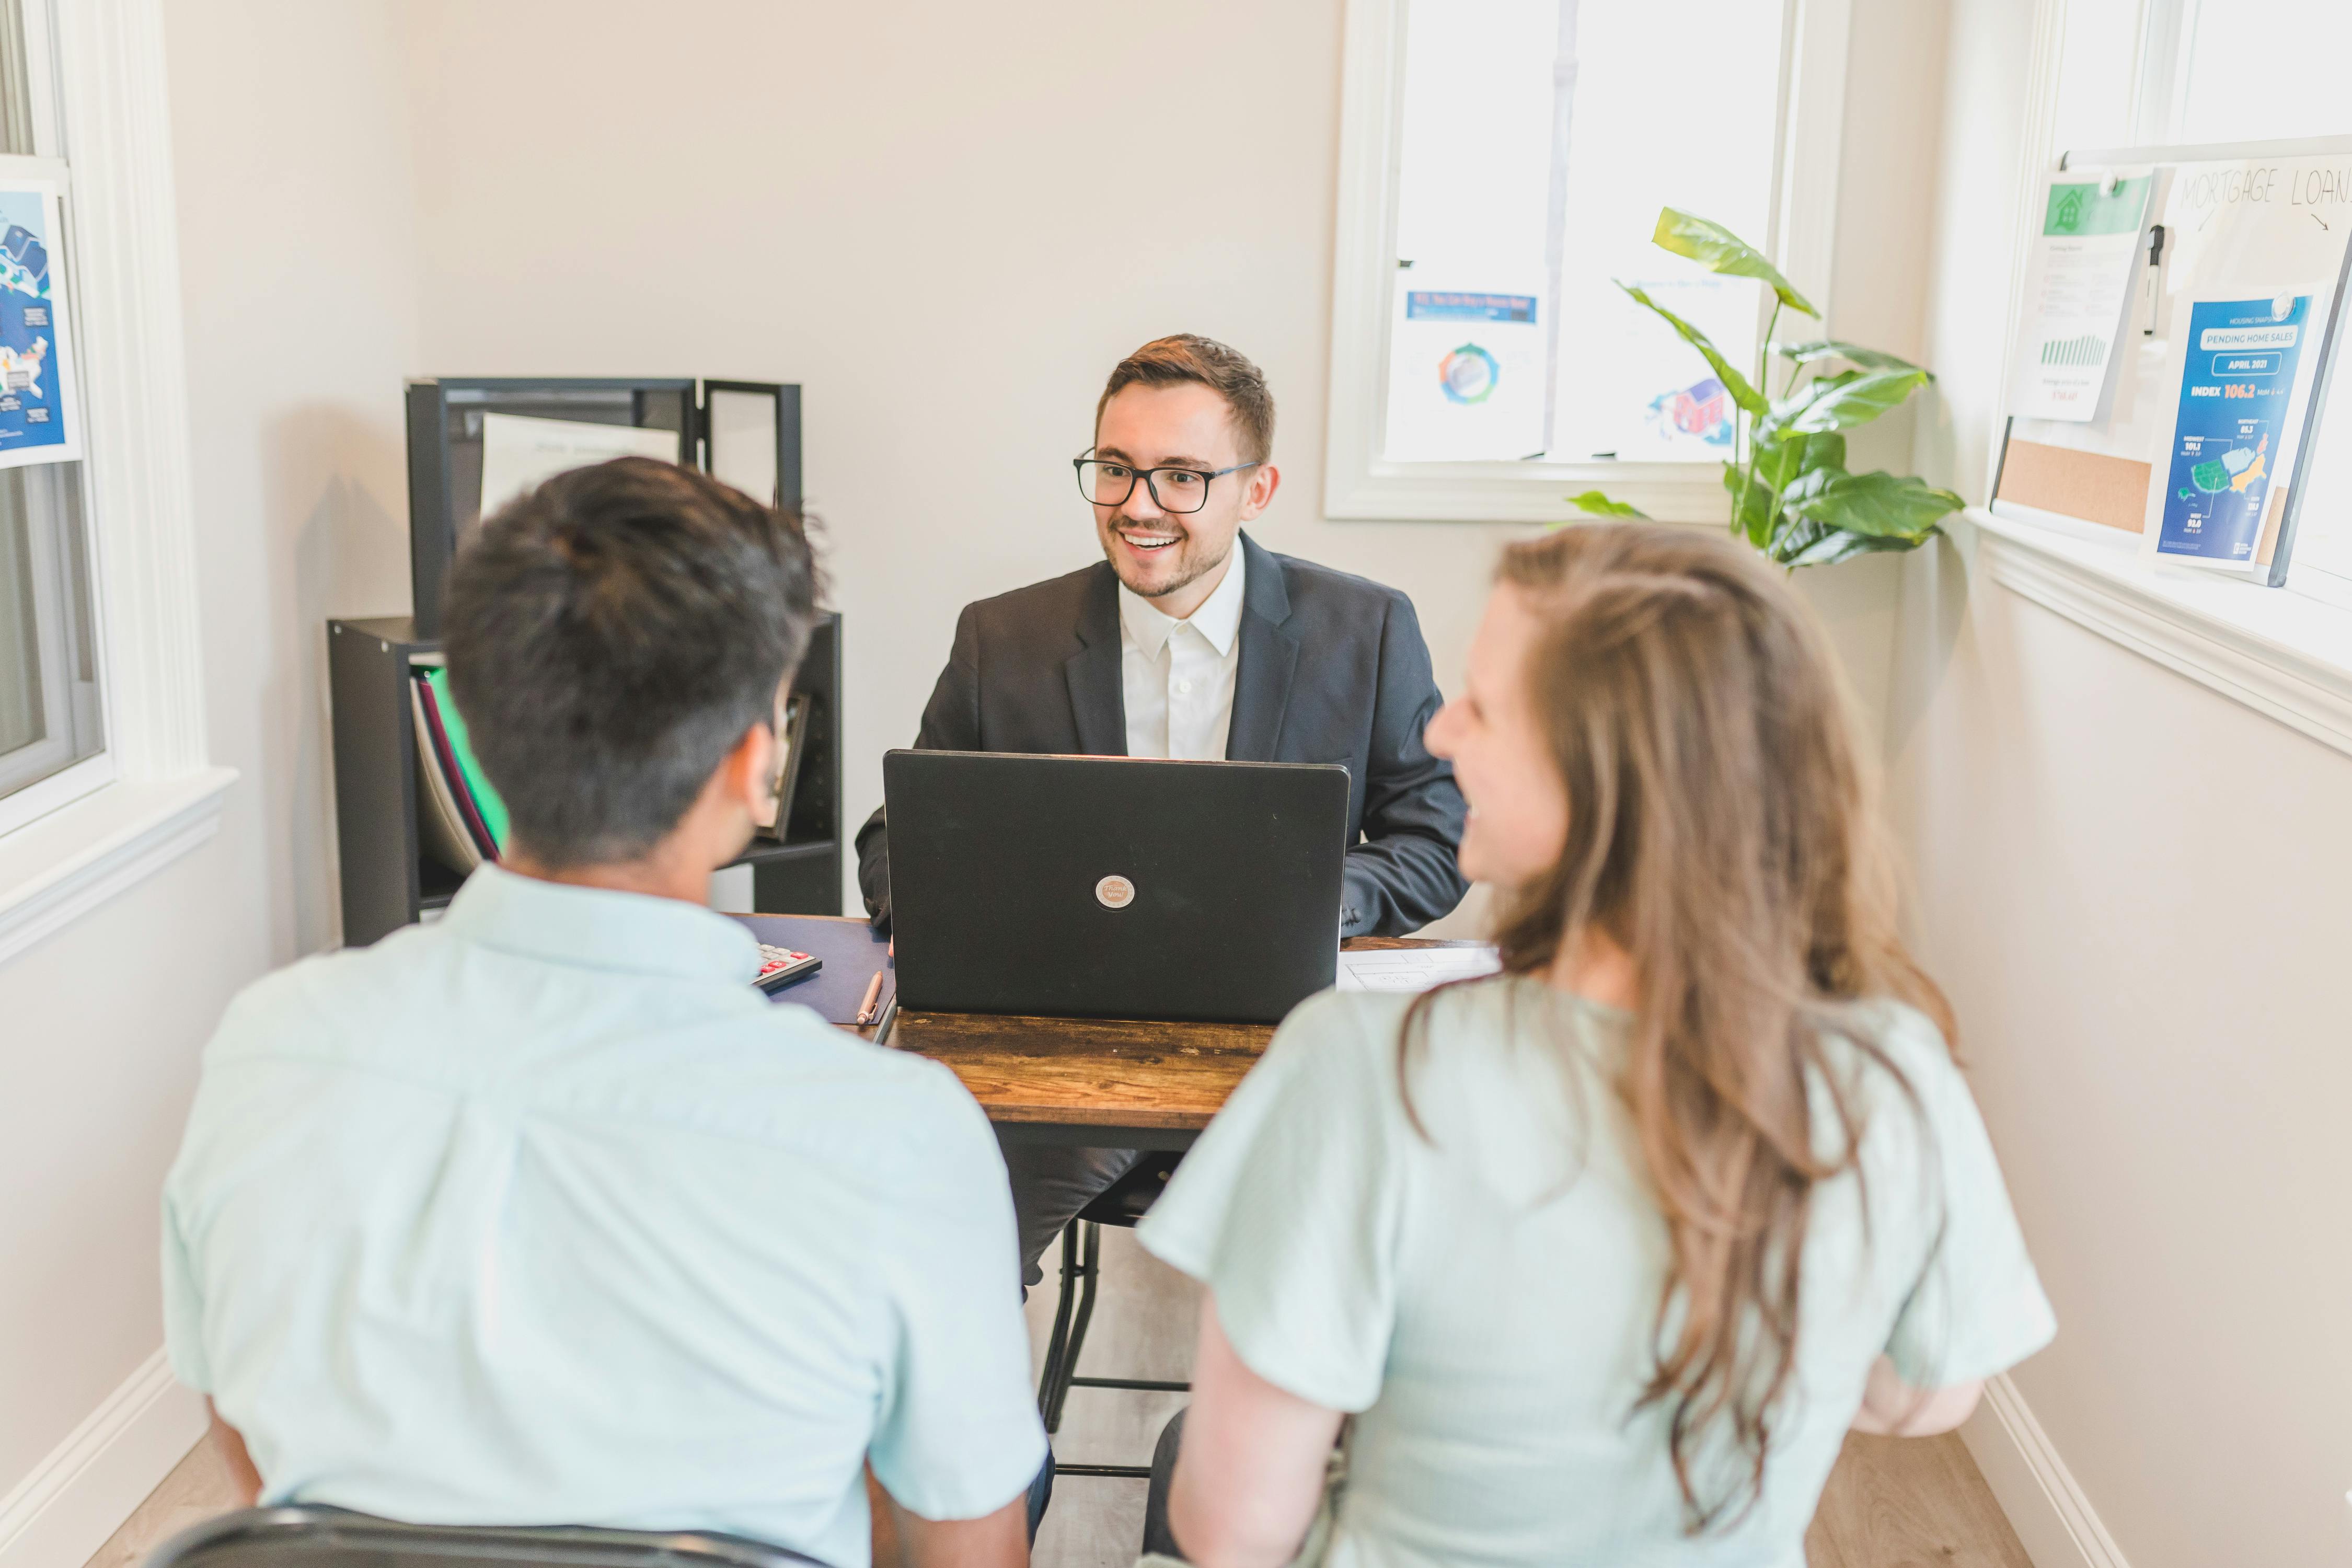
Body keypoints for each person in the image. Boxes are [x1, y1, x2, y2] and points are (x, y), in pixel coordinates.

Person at [161, 459, 1045, 1568]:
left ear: (476, 733)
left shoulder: (267, 1045)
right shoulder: (900, 1134)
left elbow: (254, 1458)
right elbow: (967, 1549)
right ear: (753, 767)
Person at [1132, 524, 2057, 1567]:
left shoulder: (1362, 1068)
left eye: (1483, 706)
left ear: (1606, 770)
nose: (1443, 738)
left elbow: (1230, 1530)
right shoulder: (1894, 1073)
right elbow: (1922, 1394)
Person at [855, 333, 1468, 1282]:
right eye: (1116, 470)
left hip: (1284, 1056)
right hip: (1064, 1060)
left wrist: (1315, 900)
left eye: (1183, 477)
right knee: (928, 1244)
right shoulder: (1002, 637)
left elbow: (1435, 837)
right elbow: (898, 835)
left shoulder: (1368, 628)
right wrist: (965, 917)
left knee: (1365, 1256)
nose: (1139, 508)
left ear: (1254, 491)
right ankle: (980, 1432)